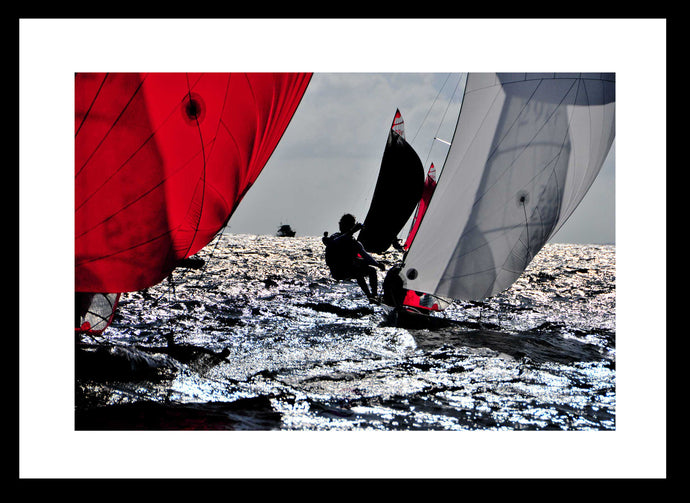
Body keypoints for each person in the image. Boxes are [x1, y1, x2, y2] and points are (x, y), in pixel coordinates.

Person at [323, 213, 385, 302]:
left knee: (372, 271)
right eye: (341, 223)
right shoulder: (335, 237)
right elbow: (333, 244)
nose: (341, 225)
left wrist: (378, 264)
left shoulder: (353, 241)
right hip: (338, 271)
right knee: (357, 272)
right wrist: (351, 231)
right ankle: (369, 296)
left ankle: (374, 296)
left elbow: (365, 255)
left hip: (349, 269)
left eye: (344, 224)